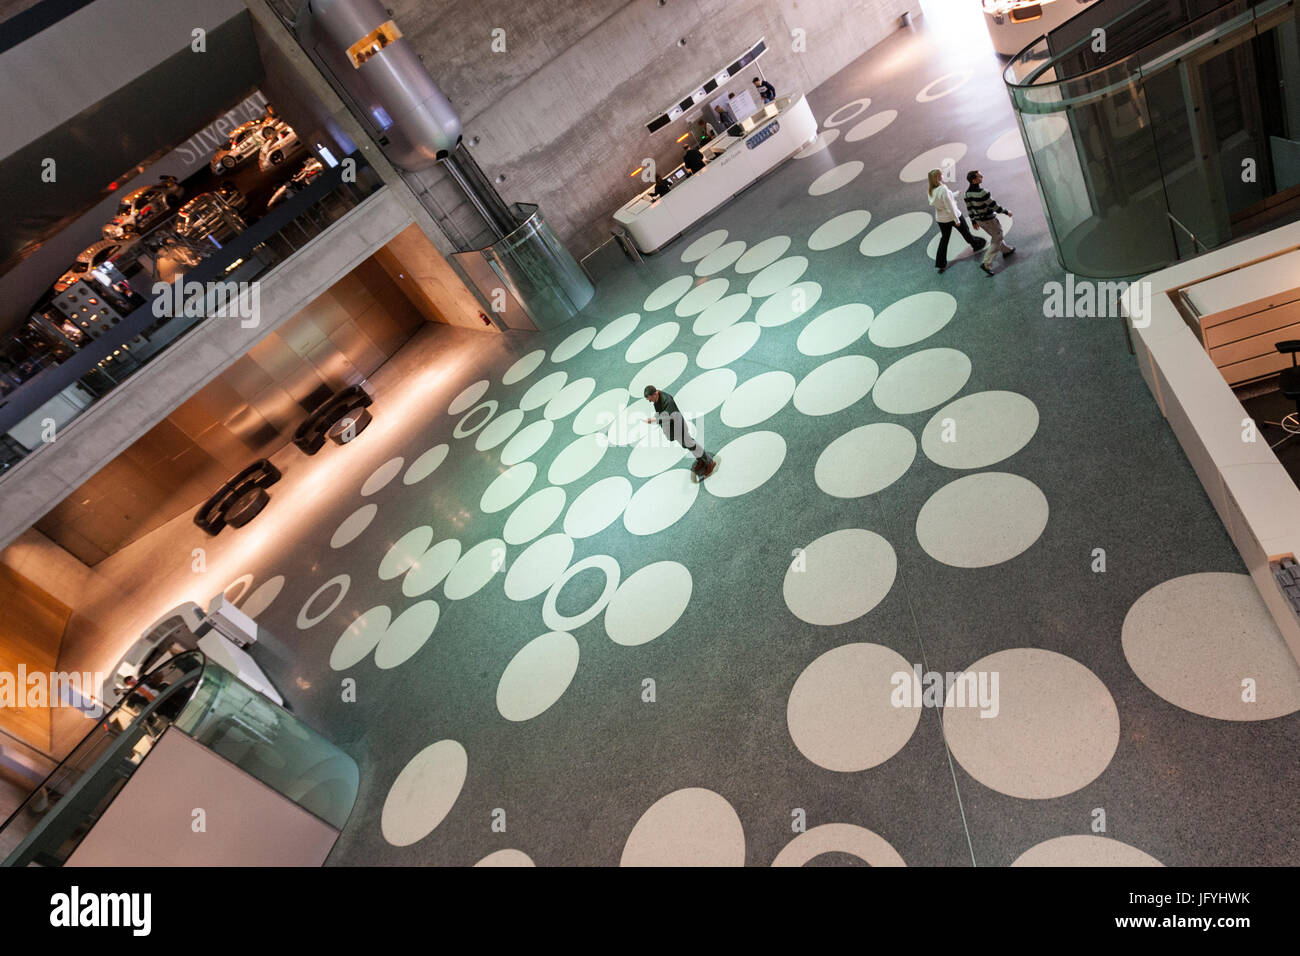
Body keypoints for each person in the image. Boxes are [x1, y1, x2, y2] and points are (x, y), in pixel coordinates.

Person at [643, 385, 716, 478]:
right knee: (687, 445)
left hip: (678, 427)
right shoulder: (657, 400)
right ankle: (701, 460)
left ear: (655, 393)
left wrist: (654, 420)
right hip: (672, 429)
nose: (650, 401)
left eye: (650, 399)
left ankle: (710, 462)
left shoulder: (667, 401)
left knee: (692, 444)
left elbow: (669, 416)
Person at [927, 168, 985, 273]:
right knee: (965, 230)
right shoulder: (943, 189)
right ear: (938, 177)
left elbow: (942, 200)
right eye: (941, 174)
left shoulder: (931, 191)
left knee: (944, 239)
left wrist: (953, 194)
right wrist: (956, 220)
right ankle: (976, 244)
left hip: (941, 219)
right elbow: (950, 206)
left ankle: (940, 263)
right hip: (952, 216)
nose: (942, 175)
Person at [963, 169, 1015, 276]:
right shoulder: (983, 193)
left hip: (979, 221)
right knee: (997, 237)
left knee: (996, 236)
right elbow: (994, 206)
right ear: (974, 180)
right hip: (989, 220)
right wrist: (1006, 212)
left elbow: (969, 208)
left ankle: (1006, 250)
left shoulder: (967, 194)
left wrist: (973, 221)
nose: (981, 176)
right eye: (979, 176)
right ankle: (986, 263)